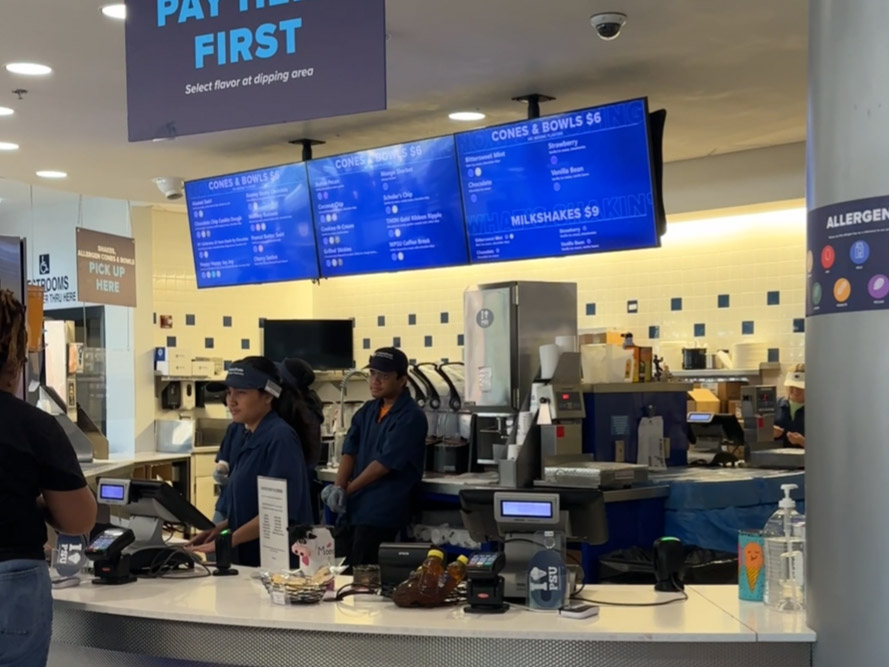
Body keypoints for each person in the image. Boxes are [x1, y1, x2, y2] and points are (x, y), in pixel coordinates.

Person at [0, 289, 97, 666]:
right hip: (11, 583)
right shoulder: (33, 426)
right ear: (16, 358)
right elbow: (79, 519)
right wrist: (36, 503)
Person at [188, 357, 313, 567]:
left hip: (277, 565)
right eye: (229, 392)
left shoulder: (280, 439)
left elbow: (277, 512)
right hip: (249, 559)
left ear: (267, 396)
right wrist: (219, 529)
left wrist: (227, 540)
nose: (231, 401)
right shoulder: (249, 435)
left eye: (241, 393)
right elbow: (251, 508)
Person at [326, 347, 428, 567]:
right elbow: (349, 450)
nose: (375, 381)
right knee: (340, 569)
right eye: (373, 374)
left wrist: (347, 490)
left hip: (382, 511)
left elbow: (384, 464)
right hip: (354, 509)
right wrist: (338, 486)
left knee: (364, 576)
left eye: (384, 376)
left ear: (402, 380)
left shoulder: (411, 417)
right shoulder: (368, 410)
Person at [774, 363, 806, 449]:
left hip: (804, 461)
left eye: (800, 387)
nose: (795, 390)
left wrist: (802, 442)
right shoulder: (775, 404)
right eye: (792, 386)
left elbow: (825, 448)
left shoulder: (816, 410)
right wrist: (768, 432)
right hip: (775, 460)